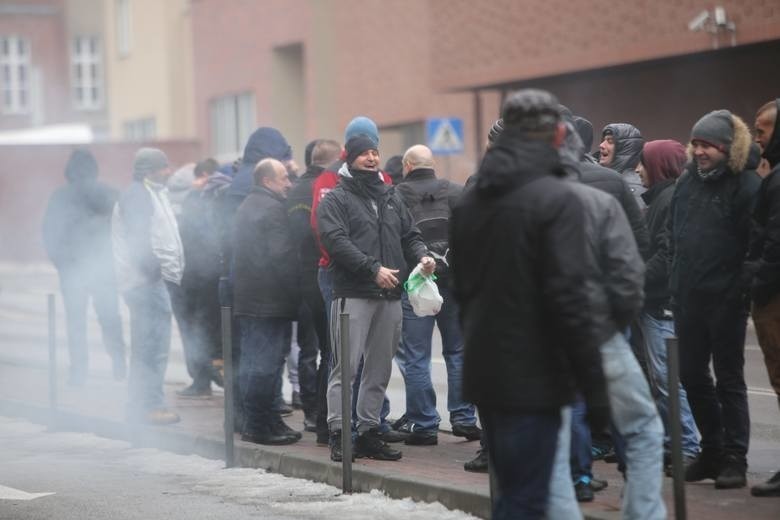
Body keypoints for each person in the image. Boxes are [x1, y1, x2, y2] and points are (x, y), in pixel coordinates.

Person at [450, 89, 610, 519]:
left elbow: (464, 289)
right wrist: (595, 386)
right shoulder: (556, 199)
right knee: (527, 499)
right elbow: (571, 297)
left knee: (513, 494)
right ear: (557, 134)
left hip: (486, 370)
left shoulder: (470, 200)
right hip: (536, 374)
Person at [317, 134, 433, 462]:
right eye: (364, 154)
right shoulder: (336, 199)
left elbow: (410, 235)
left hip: (391, 293)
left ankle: (369, 430)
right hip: (353, 293)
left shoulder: (391, 195)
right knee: (347, 367)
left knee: (379, 367)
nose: (372, 158)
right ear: (350, 158)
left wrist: (422, 256)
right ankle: (340, 433)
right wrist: (372, 269)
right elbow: (335, 241)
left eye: (375, 152)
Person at [669, 109, 760, 489]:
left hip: (725, 301)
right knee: (690, 375)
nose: (701, 151)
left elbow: (754, 245)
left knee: (729, 379)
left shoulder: (746, 185)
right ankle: (712, 450)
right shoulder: (687, 183)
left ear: (727, 148)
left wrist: (738, 289)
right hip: (688, 298)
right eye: (696, 144)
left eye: (708, 145)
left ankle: (735, 459)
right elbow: (673, 235)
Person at [393, 144, 479, 446]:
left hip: (415, 283)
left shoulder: (396, 195)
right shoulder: (456, 192)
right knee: (457, 351)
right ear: (432, 165)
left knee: (417, 356)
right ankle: (464, 417)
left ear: (407, 166)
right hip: (453, 282)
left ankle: (424, 423)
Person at [635, 140, 701, 469]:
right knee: (661, 377)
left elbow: (664, 254)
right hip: (655, 301)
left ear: (659, 165)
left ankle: (686, 445)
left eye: (643, 163)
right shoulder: (664, 197)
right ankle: (673, 441)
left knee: (666, 377)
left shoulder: (670, 198)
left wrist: (634, 280)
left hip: (660, 303)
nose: (637, 169)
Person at [42, 149, 127, 385]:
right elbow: (124, 229)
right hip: (103, 268)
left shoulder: (59, 196)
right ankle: (119, 362)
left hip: (72, 271)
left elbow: (49, 233)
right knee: (110, 317)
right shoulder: (108, 193)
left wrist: (61, 263)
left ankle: (78, 372)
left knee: (75, 322)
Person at [112, 148, 184, 425]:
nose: (168, 171)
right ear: (151, 170)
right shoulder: (138, 195)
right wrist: (155, 272)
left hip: (149, 281)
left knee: (147, 344)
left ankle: (139, 405)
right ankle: (151, 405)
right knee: (153, 345)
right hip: (146, 283)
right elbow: (139, 241)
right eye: (164, 167)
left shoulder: (151, 192)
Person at [232, 158, 300, 445]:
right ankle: (259, 425)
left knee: (258, 363)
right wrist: (297, 291)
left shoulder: (248, 204)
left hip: (252, 298)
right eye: (283, 178)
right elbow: (282, 257)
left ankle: (268, 419)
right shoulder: (272, 209)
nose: (288, 183)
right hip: (269, 301)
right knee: (265, 365)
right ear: (267, 181)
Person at [287, 138, 342, 443]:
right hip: (321, 276)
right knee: (329, 351)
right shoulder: (323, 187)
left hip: (305, 277)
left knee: (319, 350)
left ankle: (316, 414)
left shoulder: (296, 188)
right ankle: (322, 419)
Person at [748, 98, 780, 497]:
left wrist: (754, 281)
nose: (757, 139)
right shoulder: (771, 175)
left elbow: (773, 242)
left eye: (763, 130)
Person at [173, 158, 224, 397]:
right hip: (210, 273)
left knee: (198, 328)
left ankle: (203, 378)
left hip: (197, 274)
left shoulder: (198, 198)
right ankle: (208, 375)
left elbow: (186, 235)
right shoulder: (218, 194)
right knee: (207, 327)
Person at [598, 123, 646, 208]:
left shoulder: (633, 186)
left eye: (610, 141)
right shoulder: (605, 178)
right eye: (603, 140)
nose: (601, 145)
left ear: (625, 149)